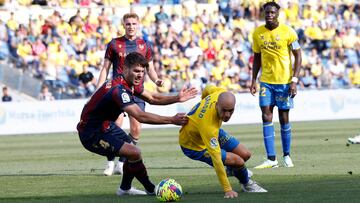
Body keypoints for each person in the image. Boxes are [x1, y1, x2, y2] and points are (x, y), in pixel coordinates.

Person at [77, 52, 197, 196]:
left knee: (132, 151)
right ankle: (150, 188)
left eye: (142, 71)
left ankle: (125, 189)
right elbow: (140, 115)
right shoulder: (118, 90)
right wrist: (171, 119)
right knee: (134, 152)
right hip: (91, 133)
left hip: (105, 126)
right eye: (136, 71)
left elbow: (152, 98)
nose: (140, 75)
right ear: (125, 68)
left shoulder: (129, 83)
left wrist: (177, 98)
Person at [97, 13, 164, 176]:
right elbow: (105, 68)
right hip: (117, 91)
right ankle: (110, 163)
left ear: (138, 24)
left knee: (136, 130)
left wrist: (156, 81)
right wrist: (99, 89)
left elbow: (151, 69)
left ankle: (122, 163)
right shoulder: (114, 44)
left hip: (136, 92)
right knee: (114, 128)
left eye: (134, 23)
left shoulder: (145, 45)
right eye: (128, 24)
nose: (131, 26)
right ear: (124, 25)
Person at [179, 85, 267, 199]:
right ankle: (247, 184)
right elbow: (217, 160)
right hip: (193, 146)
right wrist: (228, 190)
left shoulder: (220, 93)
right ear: (216, 105)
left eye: (230, 111)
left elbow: (207, 89)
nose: (227, 115)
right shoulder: (208, 126)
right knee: (239, 161)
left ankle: (232, 170)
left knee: (246, 154)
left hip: (210, 131)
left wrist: (203, 102)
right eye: (224, 111)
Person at [250, 1, 302, 169]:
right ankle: (271, 159)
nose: (270, 15)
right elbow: (257, 57)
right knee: (266, 115)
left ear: (278, 13)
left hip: (284, 82)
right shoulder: (258, 33)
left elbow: (298, 56)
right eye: (267, 12)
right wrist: (253, 80)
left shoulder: (288, 32)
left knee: (284, 118)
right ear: (263, 13)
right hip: (266, 81)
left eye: (272, 12)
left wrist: (294, 80)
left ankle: (286, 155)